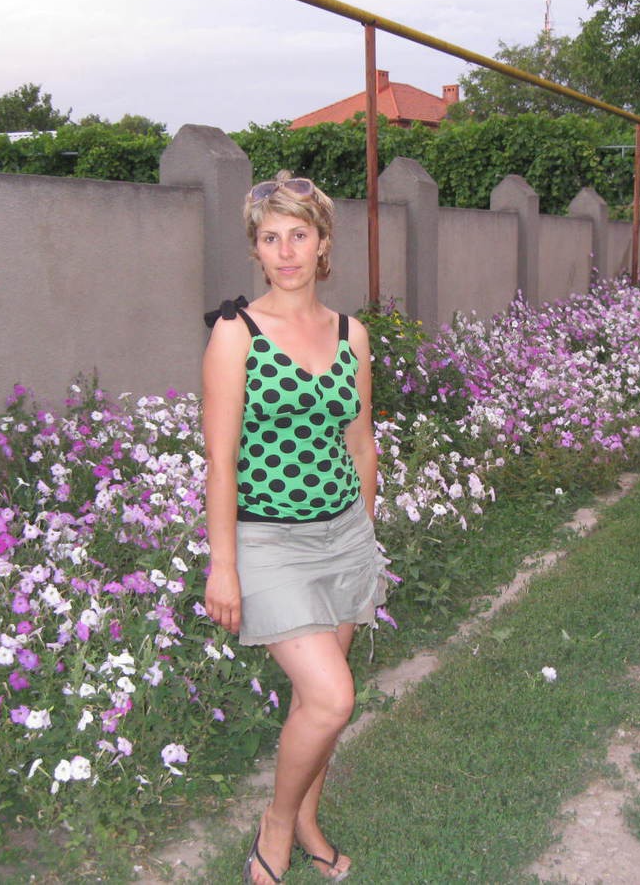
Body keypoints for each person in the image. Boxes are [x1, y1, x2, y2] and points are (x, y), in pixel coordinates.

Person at [202, 171, 385, 884]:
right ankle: (277, 825)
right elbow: (220, 462)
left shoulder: (350, 334)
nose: (285, 252)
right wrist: (224, 565)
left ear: (322, 243)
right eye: (271, 238)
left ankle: (309, 820)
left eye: (298, 235)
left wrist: (365, 534)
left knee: (319, 705)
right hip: (269, 542)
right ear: (256, 249)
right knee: (334, 697)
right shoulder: (236, 333)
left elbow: (361, 445)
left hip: (345, 535)